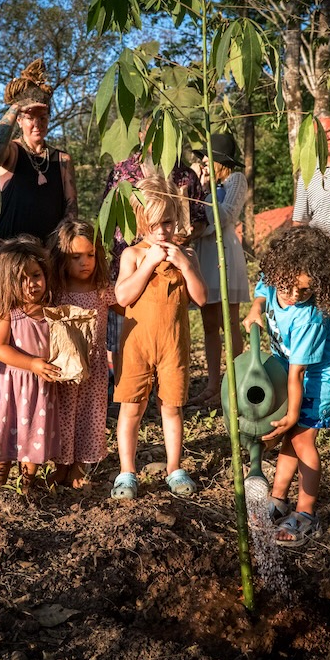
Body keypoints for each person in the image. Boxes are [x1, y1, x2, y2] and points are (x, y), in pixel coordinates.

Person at [242, 225, 330, 547]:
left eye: (305, 290)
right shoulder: (276, 281)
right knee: (291, 435)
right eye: (289, 286)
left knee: (302, 440)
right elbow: (263, 290)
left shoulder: (309, 318)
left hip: (318, 378)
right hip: (293, 371)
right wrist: (256, 308)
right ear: (278, 270)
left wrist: (292, 413)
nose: (294, 295)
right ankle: (277, 499)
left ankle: (306, 513)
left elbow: (298, 375)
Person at [111, 177, 208, 500]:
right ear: (141, 223)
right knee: (131, 410)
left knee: (172, 408)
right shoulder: (133, 256)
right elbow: (122, 296)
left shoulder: (186, 255)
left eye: (167, 222)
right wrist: (149, 263)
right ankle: (127, 472)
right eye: (154, 225)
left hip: (173, 346)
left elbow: (202, 298)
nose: (163, 231)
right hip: (136, 346)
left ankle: (174, 468)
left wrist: (184, 265)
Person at [0, 237, 61, 491]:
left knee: (34, 434)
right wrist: (32, 363)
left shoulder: (51, 311)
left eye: (36, 275)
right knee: (4, 432)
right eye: (22, 280)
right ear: (8, 283)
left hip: (39, 388)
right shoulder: (9, 312)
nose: (31, 285)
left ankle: (27, 487)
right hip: (9, 387)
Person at [46, 220, 119, 488]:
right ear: (62, 257)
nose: (84, 262)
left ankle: (79, 467)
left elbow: (127, 306)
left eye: (90, 255)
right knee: (63, 414)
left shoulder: (102, 290)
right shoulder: (55, 292)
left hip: (95, 363)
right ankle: (60, 465)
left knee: (90, 414)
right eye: (76, 257)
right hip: (64, 364)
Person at [0, 59, 77, 254]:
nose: (37, 124)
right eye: (30, 117)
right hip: (8, 251)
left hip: (47, 254)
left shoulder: (62, 160)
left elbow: (71, 210)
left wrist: (56, 246)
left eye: (42, 117)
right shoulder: (11, 151)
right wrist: (17, 105)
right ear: (18, 120)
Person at [189, 133, 251, 408]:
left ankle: (234, 382)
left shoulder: (235, 180)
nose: (202, 161)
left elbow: (226, 214)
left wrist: (201, 213)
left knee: (230, 321)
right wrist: (200, 189)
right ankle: (213, 385)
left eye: (206, 157)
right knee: (209, 323)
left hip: (224, 252)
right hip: (203, 253)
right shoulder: (203, 184)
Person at [292, 111, 330, 247]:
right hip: (327, 255)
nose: (325, 138)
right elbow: (300, 222)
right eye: (319, 135)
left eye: (329, 131)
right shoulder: (307, 174)